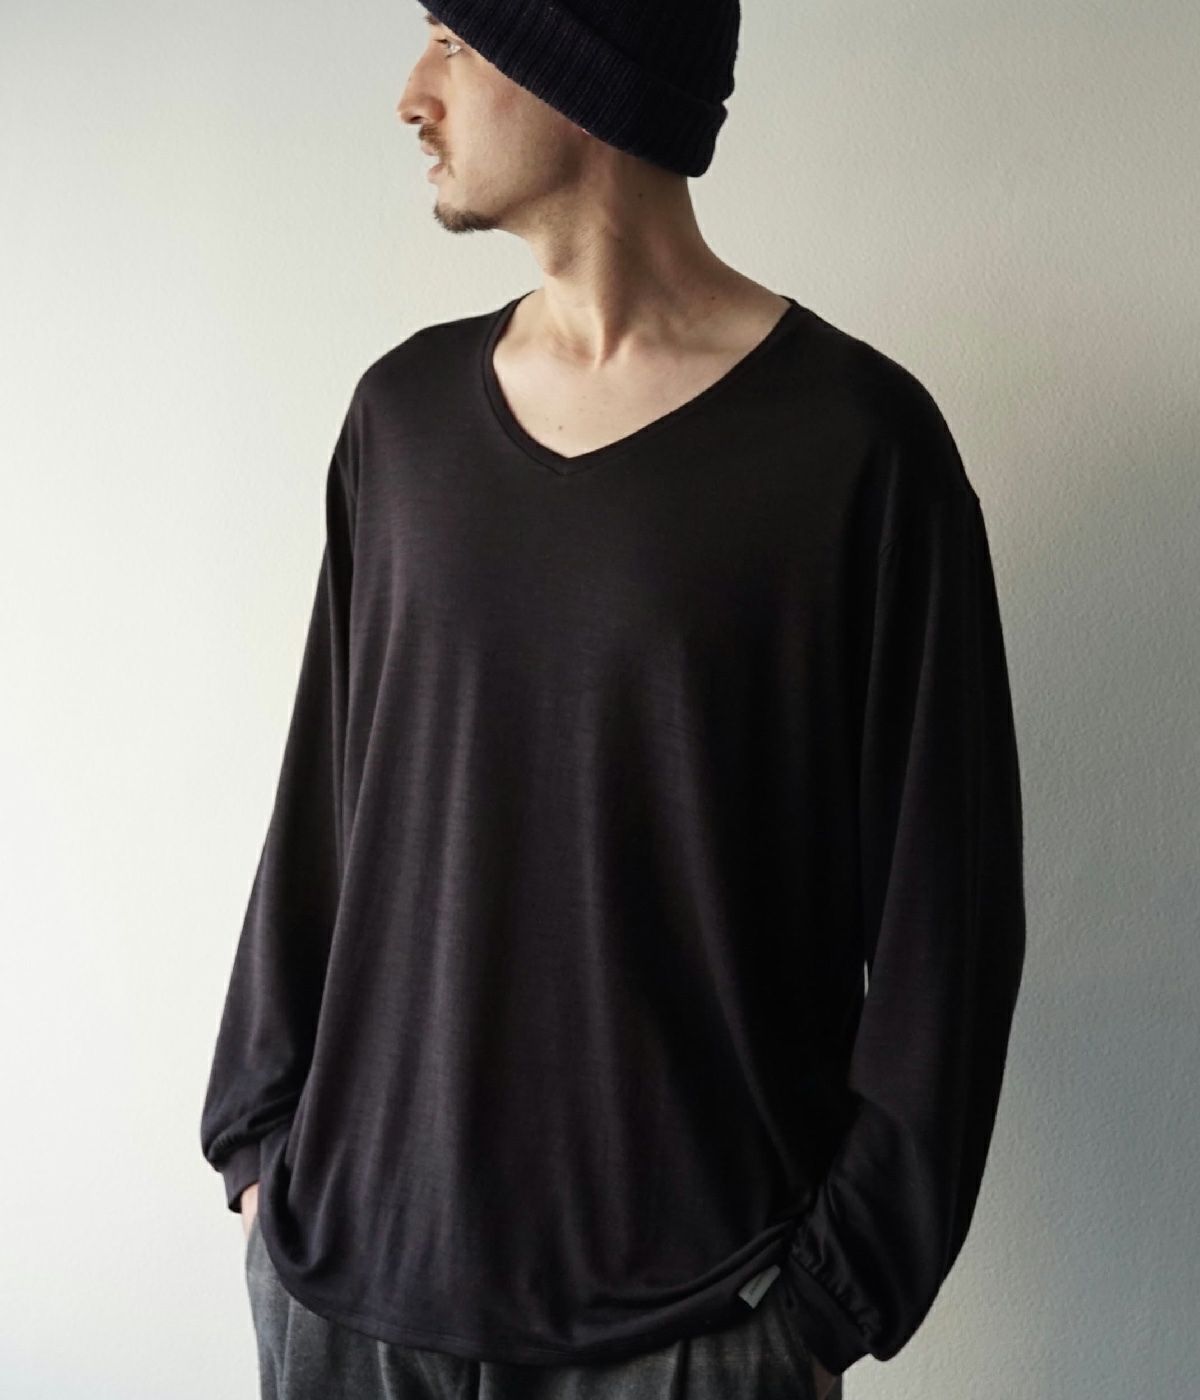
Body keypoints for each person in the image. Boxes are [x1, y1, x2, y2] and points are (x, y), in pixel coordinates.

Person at [200, 3, 1027, 1397]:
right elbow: (322, 822)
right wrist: (258, 1145)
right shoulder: (401, 422)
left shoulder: (858, 450)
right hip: (348, 1297)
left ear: (581, 69)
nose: (412, 95)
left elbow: (947, 923)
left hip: (695, 1332)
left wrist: (823, 1302)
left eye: (455, 41)